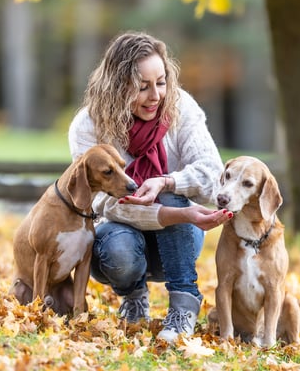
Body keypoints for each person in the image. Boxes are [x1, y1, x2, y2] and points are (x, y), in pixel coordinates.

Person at [68, 31, 232, 343]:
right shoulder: (88, 126)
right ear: (118, 87)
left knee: (171, 187)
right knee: (118, 253)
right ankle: (133, 297)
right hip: (120, 238)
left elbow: (213, 175)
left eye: (161, 82)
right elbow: (102, 202)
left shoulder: (181, 108)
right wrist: (169, 212)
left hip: (179, 241)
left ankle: (184, 304)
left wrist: (167, 181)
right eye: (143, 87)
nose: (156, 95)